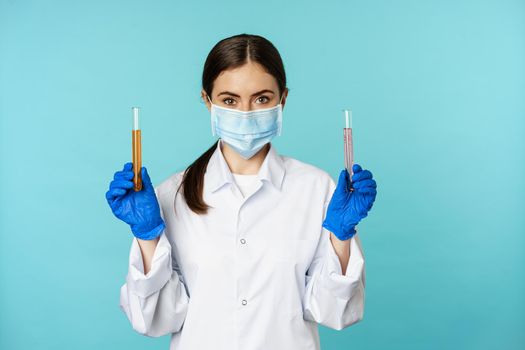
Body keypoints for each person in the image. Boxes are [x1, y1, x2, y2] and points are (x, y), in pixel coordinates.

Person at [105, 33, 377, 350]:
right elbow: (157, 320)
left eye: (261, 99)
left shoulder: (316, 189)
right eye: (229, 100)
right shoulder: (172, 195)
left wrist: (341, 236)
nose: (245, 113)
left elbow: (334, 313)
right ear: (207, 100)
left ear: (282, 99)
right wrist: (147, 234)